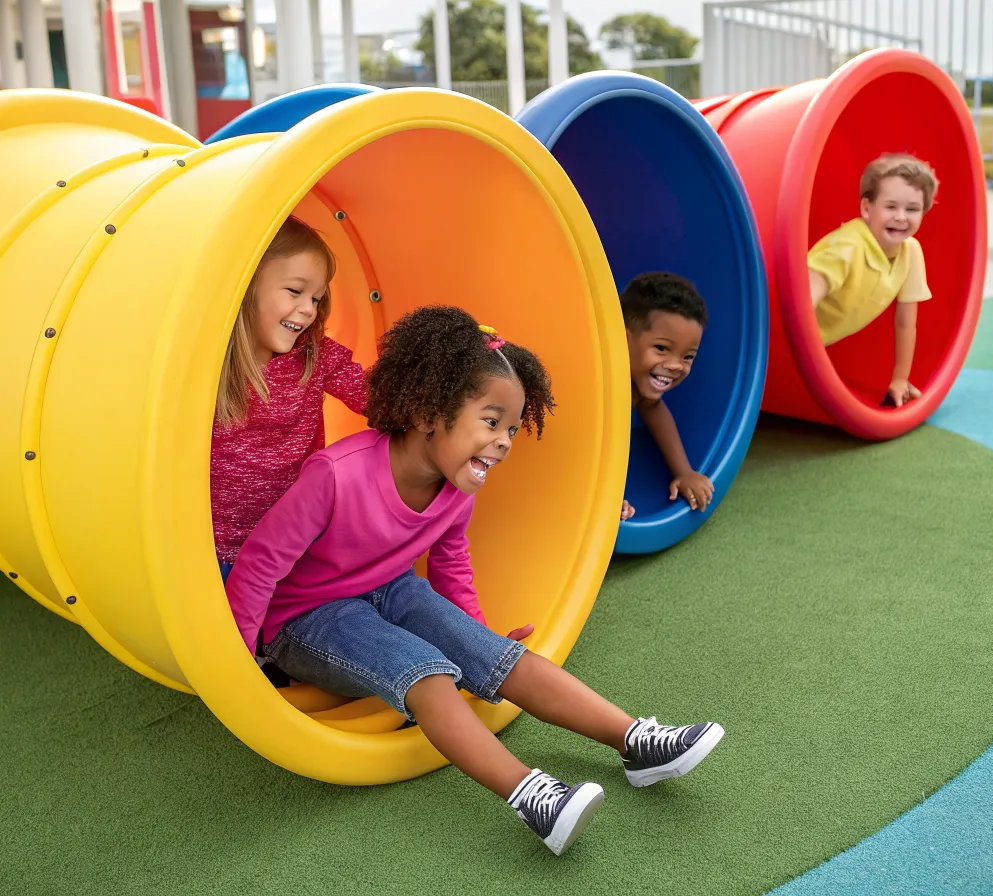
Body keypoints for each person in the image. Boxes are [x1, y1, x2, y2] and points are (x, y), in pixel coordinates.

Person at [225, 306, 724, 856]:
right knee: (428, 675)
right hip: (307, 616)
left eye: (512, 428)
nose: (505, 441)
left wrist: (477, 640)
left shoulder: (457, 487)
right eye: (491, 422)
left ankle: (636, 742)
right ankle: (533, 796)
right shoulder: (336, 475)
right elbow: (261, 562)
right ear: (428, 414)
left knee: (502, 658)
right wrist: (240, 659)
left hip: (391, 589)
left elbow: (451, 562)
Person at [211, 216, 367, 582]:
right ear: (246, 286)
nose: (308, 309)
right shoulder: (211, 364)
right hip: (211, 548)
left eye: (316, 297)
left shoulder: (315, 356)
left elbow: (377, 397)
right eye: (295, 292)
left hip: (289, 547)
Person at [807, 154, 937, 407]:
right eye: (891, 207)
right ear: (867, 209)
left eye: (912, 209)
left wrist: (900, 379)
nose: (901, 217)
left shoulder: (910, 251)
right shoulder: (845, 248)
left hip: (815, 341)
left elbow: (905, 323)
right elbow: (798, 305)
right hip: (772, 337)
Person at [619, 272, 713, 521]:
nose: (676, 366)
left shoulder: (638, 390)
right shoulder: (599, 381)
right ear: (623, 340)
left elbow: (653, 408)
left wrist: (684, 472)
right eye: (661, 348)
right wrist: (602, 493)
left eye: (687, 357)